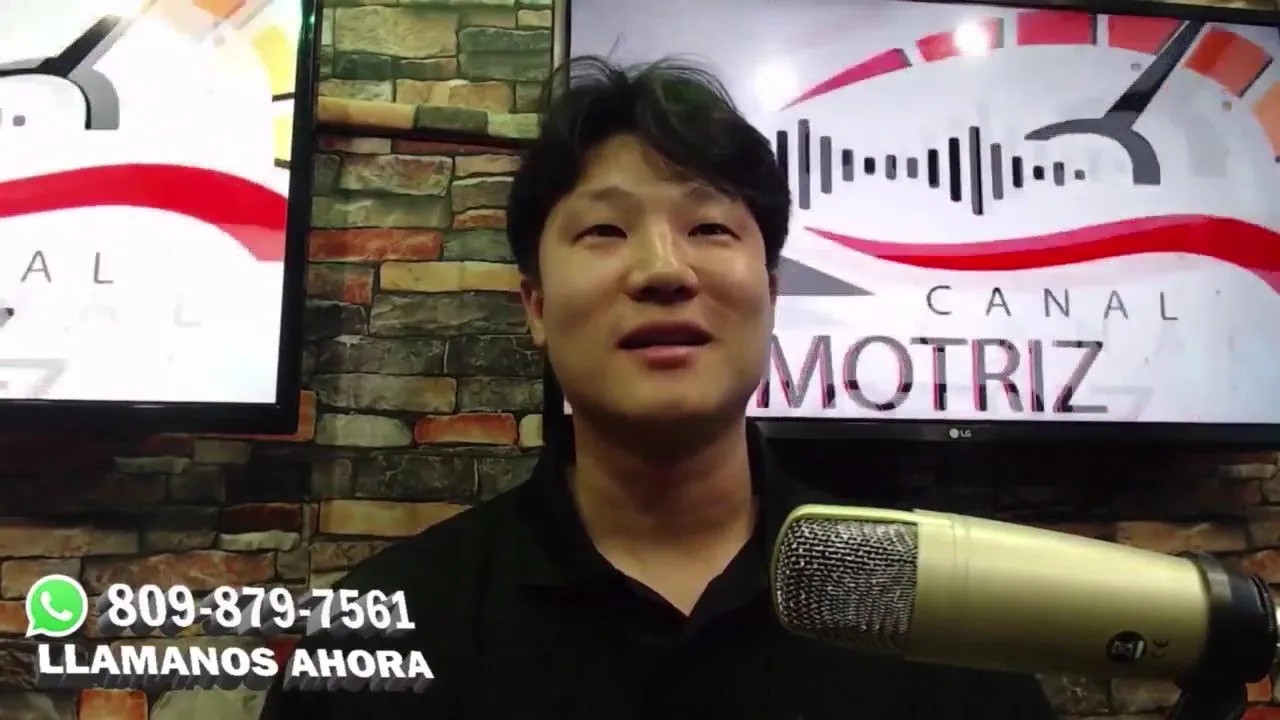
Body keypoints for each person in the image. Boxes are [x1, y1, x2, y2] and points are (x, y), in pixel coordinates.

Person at [259, 56, 1056, 719]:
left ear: (771, 290)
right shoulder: (383, 639)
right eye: (604, 230)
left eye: (709, 227)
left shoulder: (937, 628)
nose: (664, 271)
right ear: (535, 306)